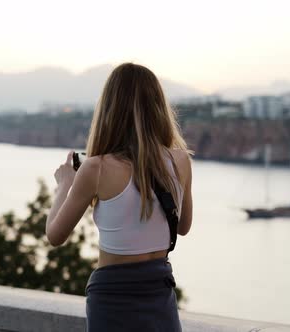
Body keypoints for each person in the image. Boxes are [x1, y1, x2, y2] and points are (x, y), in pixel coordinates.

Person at [45, 62, 193, 331]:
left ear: (109, 109)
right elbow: (182, 227)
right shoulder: (180, 160)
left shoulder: (96, 168)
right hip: (159, 292)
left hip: (113, 298)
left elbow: (55, 235)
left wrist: (64, 185)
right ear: (158, 107)